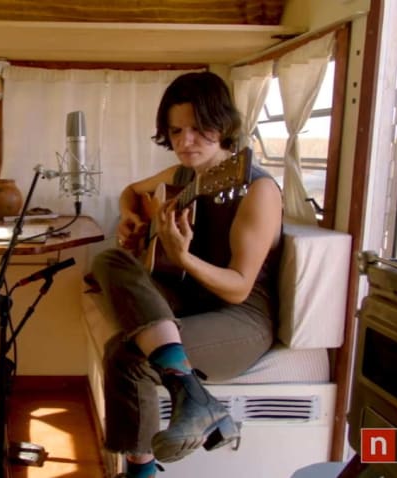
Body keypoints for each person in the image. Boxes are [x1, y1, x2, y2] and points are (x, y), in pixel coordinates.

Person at [91, 71, 283, 478]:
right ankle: (194, 396)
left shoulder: (256, 189)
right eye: (176, 131)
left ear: (223, 124)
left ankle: (141, 472)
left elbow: (238, 288)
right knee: (109, 261)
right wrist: (130, 217)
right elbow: (131, 191)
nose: (184, 142)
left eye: (198, 129)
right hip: (188, 295)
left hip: (242, 317)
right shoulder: (183, 177)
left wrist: (183, 257)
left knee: (125, 355)